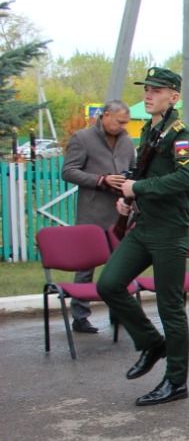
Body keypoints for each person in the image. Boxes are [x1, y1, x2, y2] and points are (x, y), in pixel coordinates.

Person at [96, 67, 189, 406]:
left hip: (170, 231)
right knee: (109, 283)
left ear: (174, 96)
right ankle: (152, 343)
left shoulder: (181, 135)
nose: (148, 94)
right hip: (145, 227)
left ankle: (176, 381)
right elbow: (143, 174)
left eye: (157, 89)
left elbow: (185, 179)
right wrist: (130, 199)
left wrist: (138, 188)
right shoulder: (149, 131)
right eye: (147, 89)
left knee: (171, 307)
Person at [60, 100, 136, 334]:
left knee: (120, 266)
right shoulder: (82, 138)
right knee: (86, 266)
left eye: (125, 123)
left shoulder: (126, 141)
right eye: (119, 121)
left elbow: (133, 169)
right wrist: (100, 179)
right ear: (104, 116)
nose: (122, 126)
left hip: (120, 212)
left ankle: (118, 312)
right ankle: (80, 316)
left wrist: (129, 185)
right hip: (91, 213)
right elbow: (68, 171)